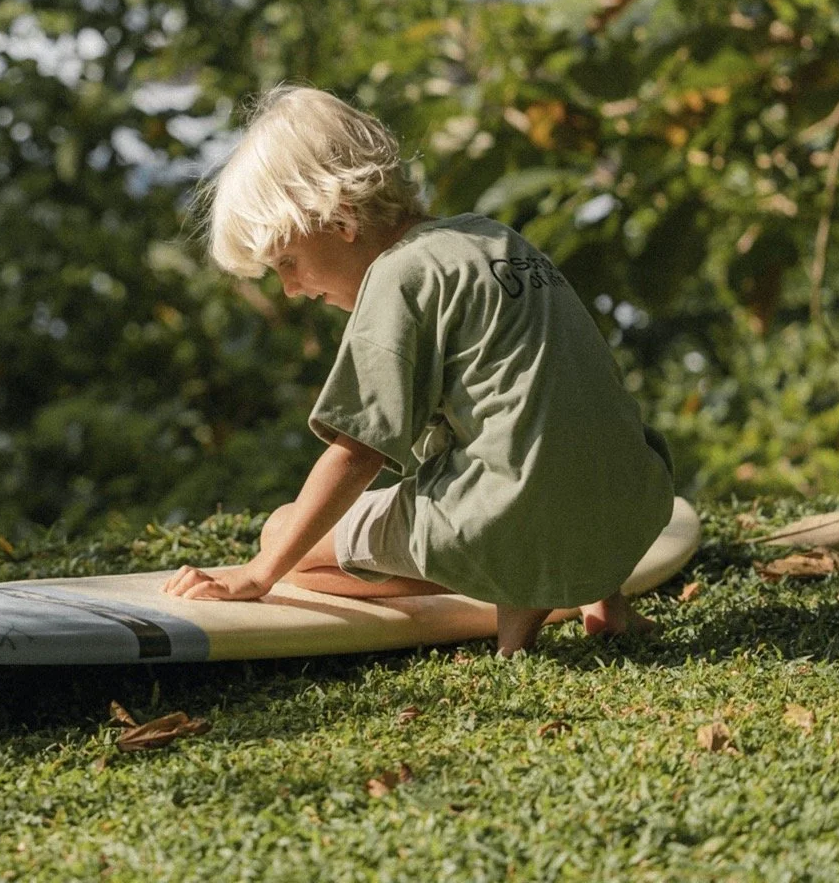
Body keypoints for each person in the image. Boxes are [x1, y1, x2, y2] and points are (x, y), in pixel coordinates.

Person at [162, 85, 675, 656]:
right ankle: (599, 602)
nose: (292, 289)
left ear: (339, 218)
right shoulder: (494, 239)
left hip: (515, 519)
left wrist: (259, 572)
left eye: (288, 262)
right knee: (529, 454)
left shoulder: (399, 277)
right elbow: (559, 395)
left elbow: (357, 451)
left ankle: (523, 593)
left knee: (284, 531)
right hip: (630, 506)